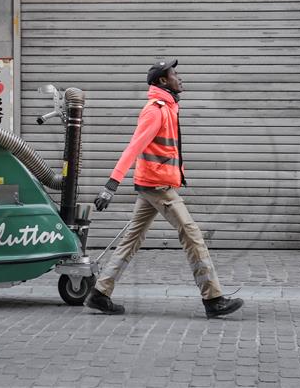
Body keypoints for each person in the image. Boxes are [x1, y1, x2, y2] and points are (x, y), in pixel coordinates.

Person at [85, 59, 244, 319]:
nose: (180, 78)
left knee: (132, 239)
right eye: (174, 74)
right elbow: (134, 147)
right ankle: (213, 298)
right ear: (162, 81)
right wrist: (111, 185)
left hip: (155, 183)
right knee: (191, 233)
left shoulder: (169, 107)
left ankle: (100, 294)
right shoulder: (155, 110)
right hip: (156, 185)